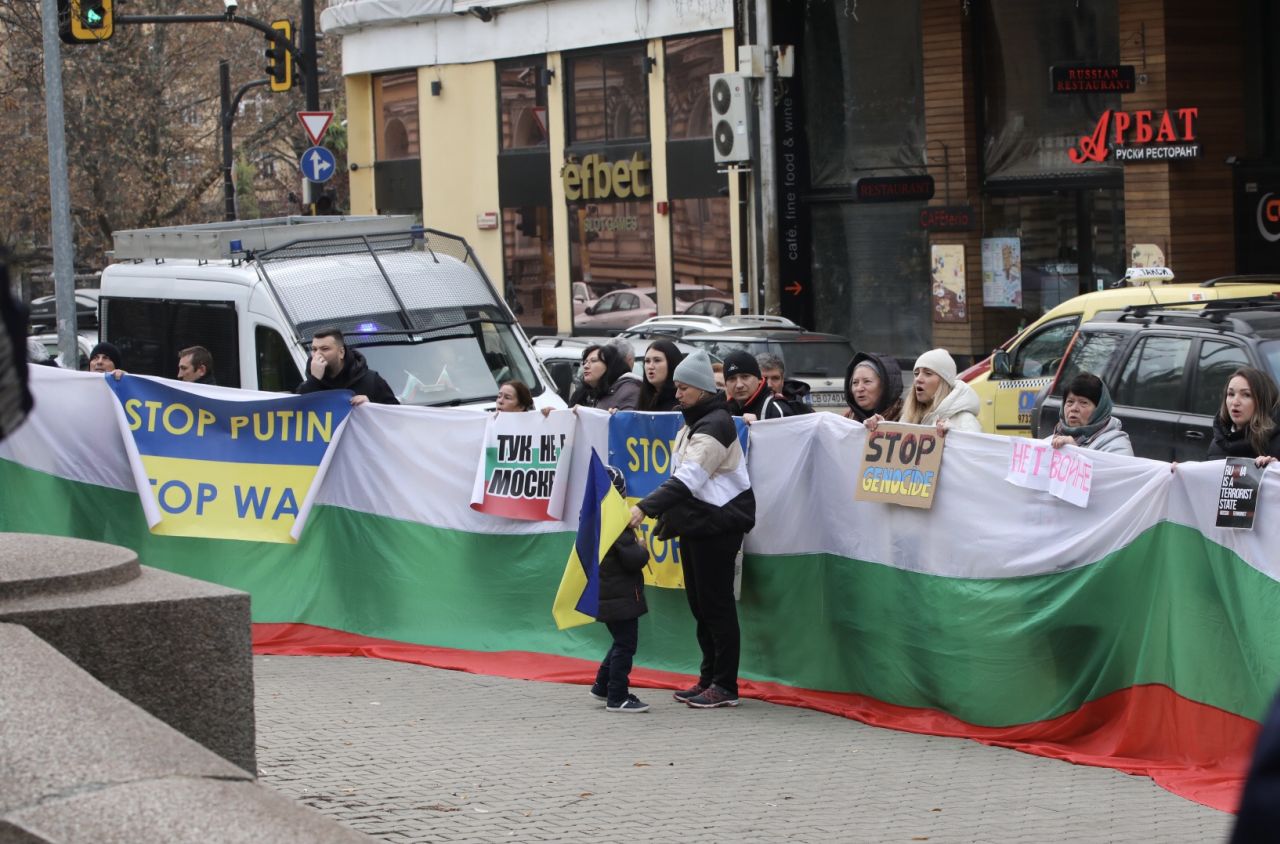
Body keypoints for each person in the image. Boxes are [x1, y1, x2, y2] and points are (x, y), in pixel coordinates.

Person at [628, 350, 755, 709]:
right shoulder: (693, 422)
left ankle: (725, 685)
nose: (678, 393)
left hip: (719, 525)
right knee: (700, 605)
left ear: (700, 389)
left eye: (683, 388)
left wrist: (644, 508)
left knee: (716, 606)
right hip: (699, 524)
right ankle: (708, 677)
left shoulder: (715, 425)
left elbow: (688, 479)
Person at [588, 466, 652, 713]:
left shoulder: (594, 516)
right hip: (621, 596)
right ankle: (617, 696)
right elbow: (632, 559)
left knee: (619, 641)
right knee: (626, 644)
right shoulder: (616, 523)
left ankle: (602, 686)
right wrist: (643, 547)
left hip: (606, 593)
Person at [870, 348, 981, 436]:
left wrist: (954, 436)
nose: (918, 379)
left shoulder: (965, 422)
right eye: (916, 373)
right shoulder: (908, 418)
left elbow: (974, 459)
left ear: (944, 382)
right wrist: (882, 428)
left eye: (928, 373)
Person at [296, 328, 399, 406]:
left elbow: (396, 416)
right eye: (314, 349)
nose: (317, 354)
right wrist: (314, 380)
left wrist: (370, 405)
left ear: (341, 352)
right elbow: (297, 413)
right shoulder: (309, 384)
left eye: (325, 349)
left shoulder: (371, 380)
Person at [1207, 367, 1280, 466]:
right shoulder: (1217, 445)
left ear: (1263, 402)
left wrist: (1275, 469)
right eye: (1231, 394)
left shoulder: (1276, 443)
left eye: (1246, 395)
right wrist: (1180, 473)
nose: (1235, 402)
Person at [1045, 373, 1132, 455]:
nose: (1074, 409)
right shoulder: (1051, 442)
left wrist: (1075, 452)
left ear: (1100, 409)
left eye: (1083, 403)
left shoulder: (1116, 446)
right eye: (1070, 402)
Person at [722, 350, 789, 422]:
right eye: (732, 379)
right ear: (725, 384)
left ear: (759, 379)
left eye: (745, 377)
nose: (739, 385)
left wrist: (757, 427)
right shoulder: (724, 411)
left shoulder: (776, 410)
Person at [568, 344, 639, 411]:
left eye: (593, 361)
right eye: (585, 362)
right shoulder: (586, 392)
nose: (586, 366)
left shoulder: (629, 391)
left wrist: (587, 413)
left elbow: (628, 421)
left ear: (610, 365)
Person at [843, 352, 903, 423]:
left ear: (885, 385)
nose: (859, 388)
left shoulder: (907, 418)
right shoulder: (846, 421)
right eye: (855, 382)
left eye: (867, 381)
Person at [638, 339, 684, 412]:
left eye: (657, 360)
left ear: (671, 363)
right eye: (647, 361)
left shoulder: (682, 400)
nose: (650, 366)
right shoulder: (644, 397)